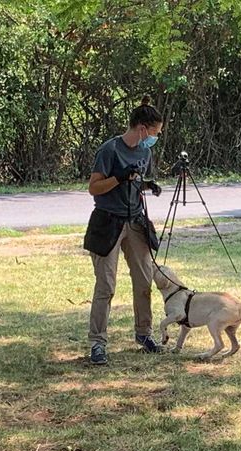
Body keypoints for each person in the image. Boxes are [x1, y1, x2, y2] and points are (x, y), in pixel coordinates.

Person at [83, 96, 165, 363]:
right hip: (108, 223)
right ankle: (97, 343)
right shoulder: (110, 150)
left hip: (135, 221)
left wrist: (147, 185)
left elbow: (134, 181)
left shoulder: (145, 151)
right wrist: (118, 177)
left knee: (144, 280)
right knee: (106, 285)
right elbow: (94, 187)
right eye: (154, 132)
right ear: (142, 128)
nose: (155, 138)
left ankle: (144, 333)